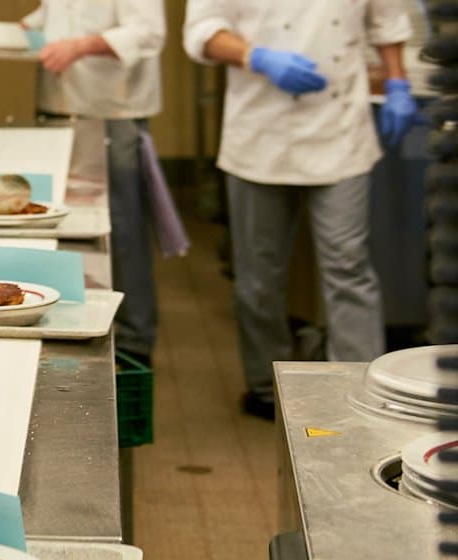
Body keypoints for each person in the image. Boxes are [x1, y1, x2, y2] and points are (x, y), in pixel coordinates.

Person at [184, 0, 418, 419]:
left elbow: (387, 20)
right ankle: (265, 389)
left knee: (348, 266)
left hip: (340, 126)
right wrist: (255, 55)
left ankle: (358, 387)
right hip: (259, 131)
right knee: (259, 276)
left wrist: (398, 83)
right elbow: (201, 30)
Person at [21, 0, 167, 367]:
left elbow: (148, 33)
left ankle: (133, 343)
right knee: (71, 230)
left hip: (111, 110)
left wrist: (79, 46)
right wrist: (23, 31)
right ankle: (87, 331)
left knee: (120, 230)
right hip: (62, 105)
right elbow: (59, 12)